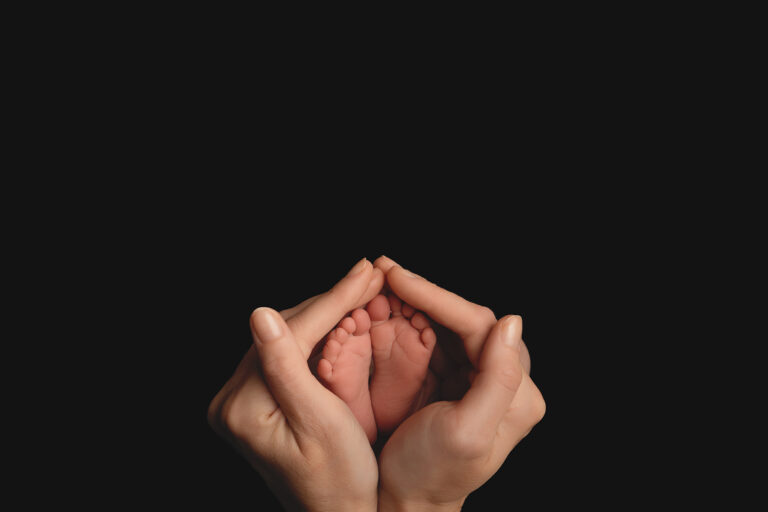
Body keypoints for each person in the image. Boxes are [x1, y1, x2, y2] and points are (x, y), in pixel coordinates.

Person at [207, 256, 545, 511]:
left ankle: (353, 418)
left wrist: (342, 503)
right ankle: (400, 409)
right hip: (445, 360)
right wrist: (422, 501)